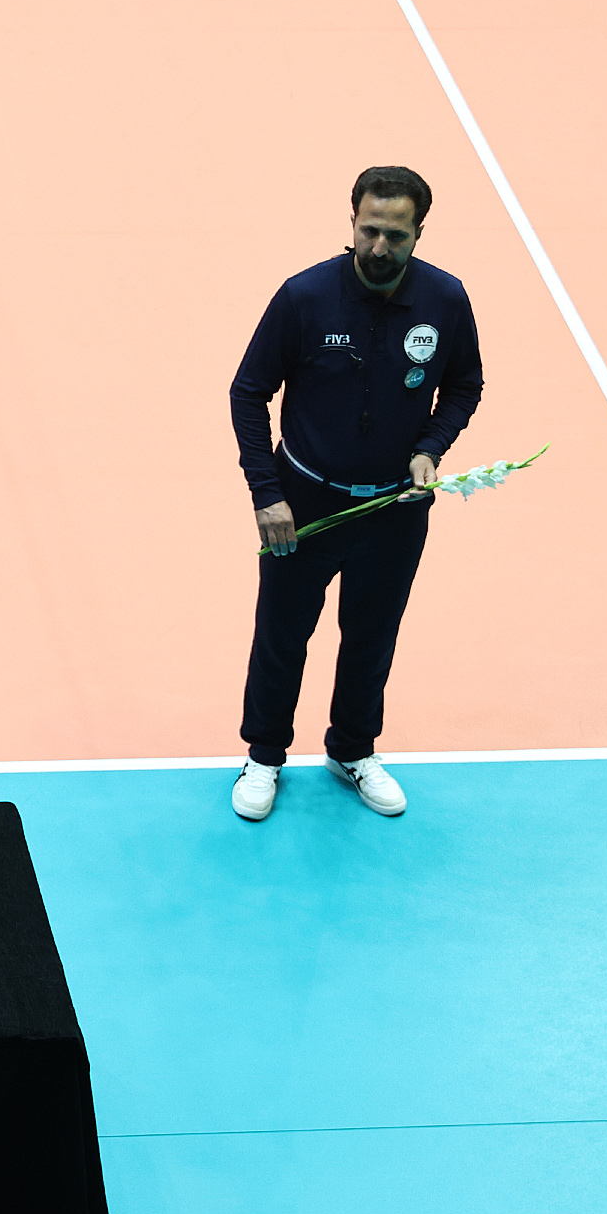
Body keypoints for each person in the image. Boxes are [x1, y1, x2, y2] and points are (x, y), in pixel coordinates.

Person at [229, 166, 484, 821]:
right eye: (369, 230)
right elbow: (248, 392)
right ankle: (264, 755)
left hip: (394, 510)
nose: (379, 247)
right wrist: (267, 493)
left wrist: (430, 448)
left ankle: (351, 750)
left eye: (395, 235)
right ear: (352, 222)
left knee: (372, 637)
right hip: (303, 504)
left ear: (418, 233)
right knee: (282, 635)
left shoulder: (445, 300)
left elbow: (464, 384)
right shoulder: (304, 297)